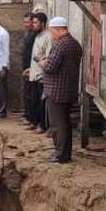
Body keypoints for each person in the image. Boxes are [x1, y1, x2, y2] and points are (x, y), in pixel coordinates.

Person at [40, 16, 82, 163]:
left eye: (52, 31)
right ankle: (64, 153)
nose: (52, 34)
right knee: (65, 122)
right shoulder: (75, 44)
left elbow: (51, 67)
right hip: (68, 90)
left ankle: (60, 155)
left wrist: (43, 63)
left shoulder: (60, 45)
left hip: (56, 91)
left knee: (58, 124)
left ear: (58, 29)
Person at [26, 12, 52, 133]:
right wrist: (30, 69)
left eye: (36, 23)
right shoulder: (37, 36)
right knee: (34, 100)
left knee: (42, 103)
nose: (33, 25)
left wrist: (41, 69)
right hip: (33, 74)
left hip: (42, 75)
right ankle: (34, 122)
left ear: (42, 23)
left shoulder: (48, 36)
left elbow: (48, 58)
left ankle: (43, 125)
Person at [19, 13, 37, 125]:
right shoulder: (29, 34)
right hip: (26, 68)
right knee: (27, 93)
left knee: (31, 94)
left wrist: (31, 68)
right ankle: (28, 115)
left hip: (32, 69)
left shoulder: (35, 35)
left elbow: (35, 54)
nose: (26, 24)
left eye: (28, 22)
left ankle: (31, 118)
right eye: (24, 22)